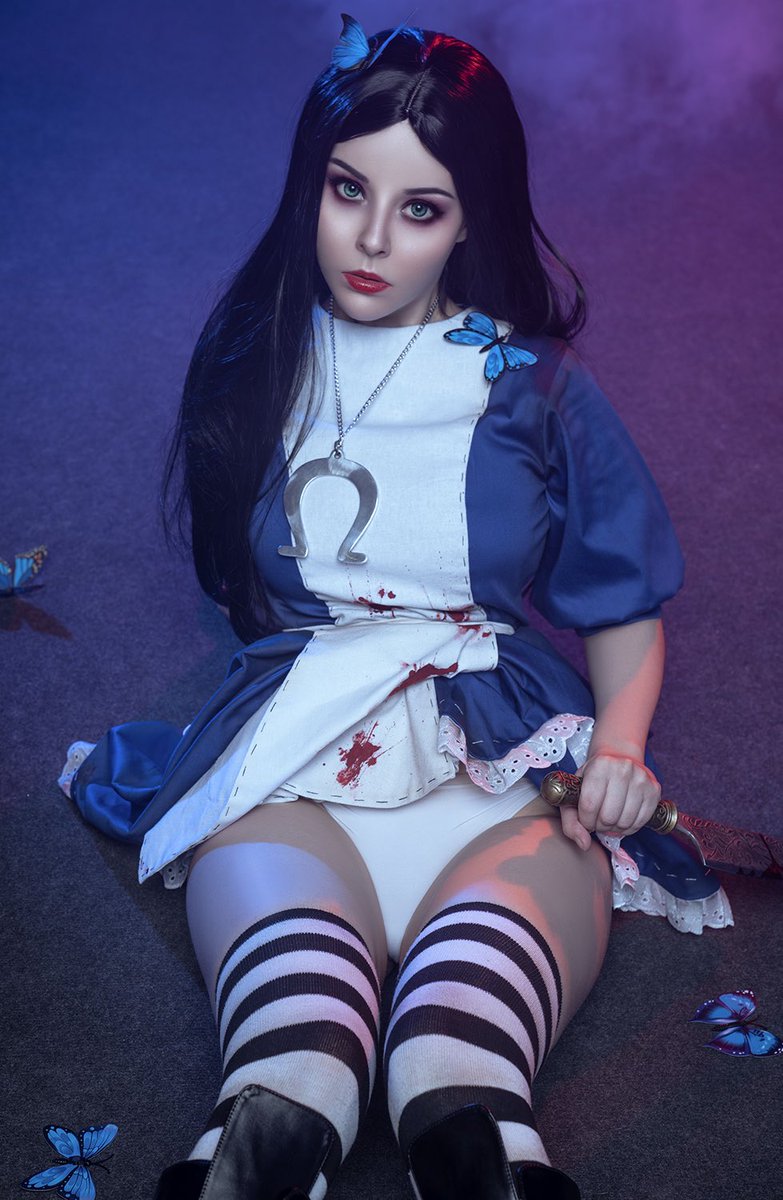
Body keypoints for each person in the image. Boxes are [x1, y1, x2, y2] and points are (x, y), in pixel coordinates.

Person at [59, 17, 734, 1200]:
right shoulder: (257, 359)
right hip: (295, 762)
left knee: (460, 1073)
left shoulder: (538, 389)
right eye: (347, 191)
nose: (372, 240)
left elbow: (620, 599)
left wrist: (621, 748)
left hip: (502, 769)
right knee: (287, 1071)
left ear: (471, 219)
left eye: (421, 209)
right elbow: (243, 580)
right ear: (308, 187)